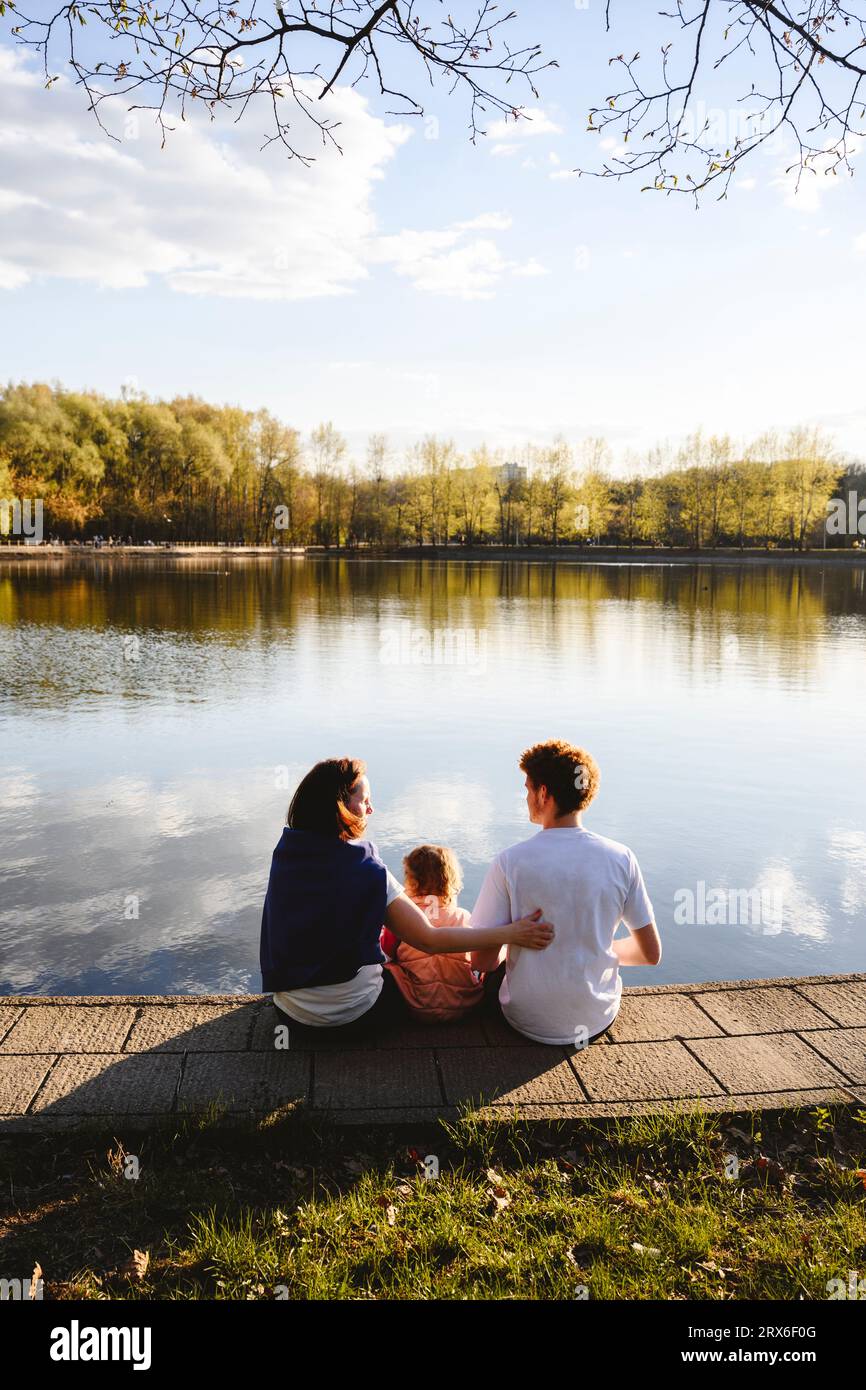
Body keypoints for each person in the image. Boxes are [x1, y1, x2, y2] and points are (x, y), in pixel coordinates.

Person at [260, 758, 554, 1037]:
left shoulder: (284, 856)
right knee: (397, 970)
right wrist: (512, 933)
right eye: (364, 801)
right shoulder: (368, 869)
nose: (371, 809)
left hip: (292, 1016)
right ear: (341, 808)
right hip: (358, 1018)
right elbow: (428, 940)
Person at [470, 740, 661, 1046]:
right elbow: (650, 954)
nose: (527, 797)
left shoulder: (510, 862)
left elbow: (481, 960)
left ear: (543, 793)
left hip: (525, 1020)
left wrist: (510, 937)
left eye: (528, 788)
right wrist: (596, 946)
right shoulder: (621, 857)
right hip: (596, 1017)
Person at [381, 845, 483, 1024]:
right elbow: (479, 960)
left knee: (387, 965)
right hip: (466, 1004)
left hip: (417, 1006)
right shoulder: (464, 917)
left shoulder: (402, 919)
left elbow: (385, 955)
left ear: (411, 881)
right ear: (452, 881)